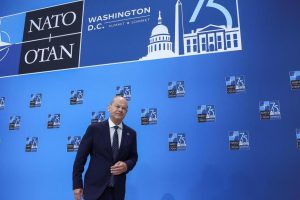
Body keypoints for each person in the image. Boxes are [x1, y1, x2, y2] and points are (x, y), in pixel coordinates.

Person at [73, 96, 138, 200]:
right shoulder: (94, 129)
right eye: (117, 106)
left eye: (124, 108)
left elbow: (133, 157)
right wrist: (77, 185)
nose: (120, 110)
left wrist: (126, 165)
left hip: (117, 192)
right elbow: (80, 159)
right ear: (109, 108)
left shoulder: (131, 133)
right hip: (94, 190)